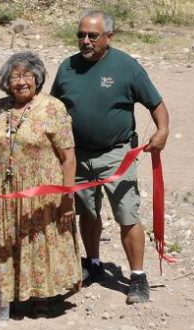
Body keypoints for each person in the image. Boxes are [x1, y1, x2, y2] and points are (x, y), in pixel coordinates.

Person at [51, 10, 170, 304]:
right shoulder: (67, 67)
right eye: (81, 35)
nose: (85, 41)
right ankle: (93, 263)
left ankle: (138, 277)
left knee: (127, 215)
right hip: (77, 156)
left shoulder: (126, 66)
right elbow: (53, 108)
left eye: (93, 35)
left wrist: (163, 130)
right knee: (88, 214)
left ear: (109, 38)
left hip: (117, 154)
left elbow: (156, 103)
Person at [0, 52, 80, 317]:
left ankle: (42, 297)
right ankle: (11, 294)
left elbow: (68, 157)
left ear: (38, 78)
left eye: (27, 75)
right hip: (5, 193)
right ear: (6, 80)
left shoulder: (52, 108)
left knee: (39, 242)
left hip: (42, 193)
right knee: (9, 240)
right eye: (15, 76)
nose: (21, 81)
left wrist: (67, 198)